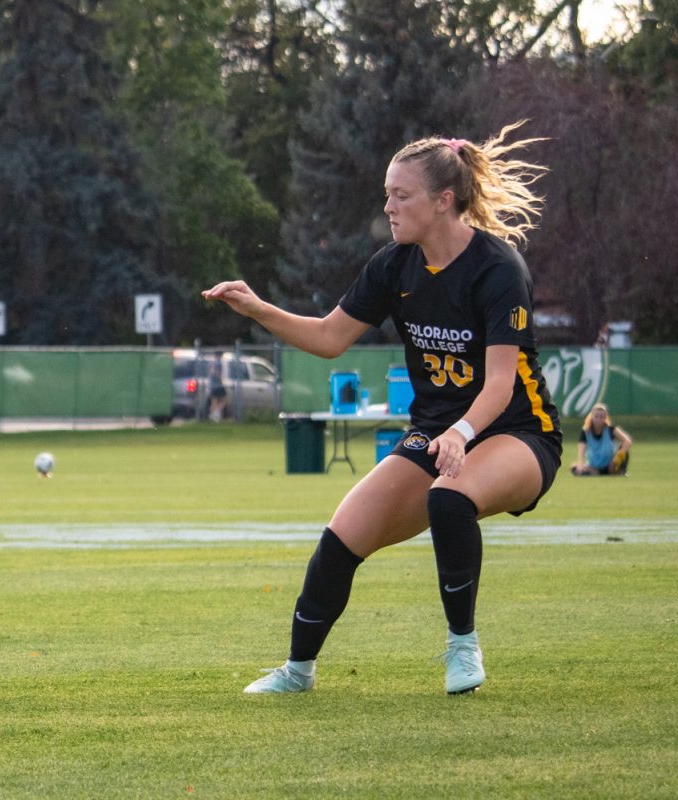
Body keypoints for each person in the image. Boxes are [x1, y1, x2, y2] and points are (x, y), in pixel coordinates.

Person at [204, 122, 562, 695]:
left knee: (449, 496)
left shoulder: (498, 269)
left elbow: (498, 387)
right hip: (437, 433)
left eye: (402, 195)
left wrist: (461, 432)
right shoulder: (395, 264)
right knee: (341, 538)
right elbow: (328, 338)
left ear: (444, 201)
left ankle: (462, 648)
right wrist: (256, 309)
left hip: (518, 433)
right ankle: (296, 674)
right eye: (387, 194)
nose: (388, 206)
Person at [572, 403, 631, 475]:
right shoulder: (586, 432)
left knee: (624, 450)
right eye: (596, 416)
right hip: (594, 466)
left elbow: (627, 441)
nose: (598, 419)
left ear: (606, 417)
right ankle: (598, 472)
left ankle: (619, 471)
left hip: (611, 465)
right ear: (591, 417)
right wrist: (580, 465)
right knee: (574, 468)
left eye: (601, 417)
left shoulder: (611, 430)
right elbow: (581, 451)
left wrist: (616, 460)